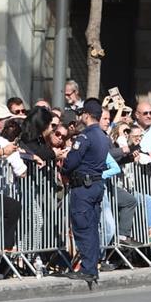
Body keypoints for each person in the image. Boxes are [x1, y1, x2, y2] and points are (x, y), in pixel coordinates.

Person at [61, 98, 109, 286]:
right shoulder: (103, 136)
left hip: (84, 187)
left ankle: (88, 269)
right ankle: (92, 267)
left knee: (82, 228)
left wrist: (64, 169)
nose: (80, 117)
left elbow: (72, 162)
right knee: (91, 228)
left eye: (82, 114)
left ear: (87, 115)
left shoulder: (85, 137)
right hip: (96, 185)